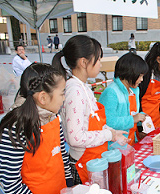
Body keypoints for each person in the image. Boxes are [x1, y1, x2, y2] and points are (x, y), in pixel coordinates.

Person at [0, 63, 73, 194]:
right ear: (43, 97)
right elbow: (9, 179)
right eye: (62, 93)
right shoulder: (17, 127)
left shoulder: (53, 117)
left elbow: (62, 154)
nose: (64, 98)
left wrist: (69, 184)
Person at [52, 35, 127, 185]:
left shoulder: (83, 87)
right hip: (82, 163)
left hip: (93, 160)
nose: (100, 64)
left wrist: (112, 132)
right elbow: (76, 138)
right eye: (98, 60)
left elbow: (93, 122)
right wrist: (108, 134)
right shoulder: (74, 90)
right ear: (84, 62)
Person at [99, 53, 148, 146]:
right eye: (140, 76)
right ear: (130, 73)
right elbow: (107, 121)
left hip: (130, 140)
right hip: (114, 146)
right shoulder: (111, 92)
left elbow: (131, 113)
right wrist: (132, 119)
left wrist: (140, 117)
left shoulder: (134, 90)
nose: (142, 79)